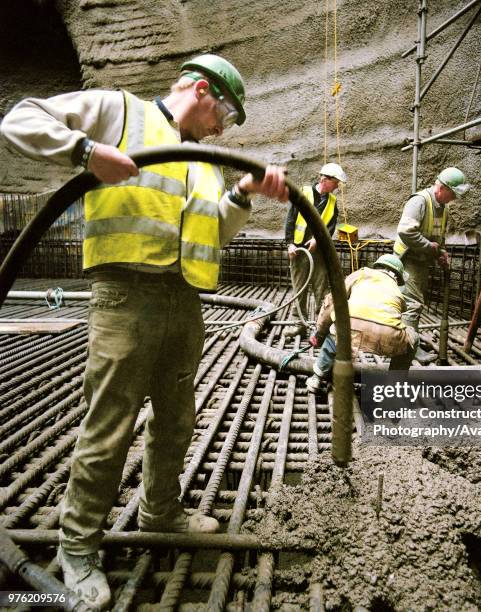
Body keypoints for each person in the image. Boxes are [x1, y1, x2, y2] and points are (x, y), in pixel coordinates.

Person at [1, 53, 288, 609]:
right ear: (202, 89)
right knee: (109, 425)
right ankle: (79, 547)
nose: (223, 128)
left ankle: (161, 510)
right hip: (125, 296)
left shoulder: (203, 162)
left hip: (184, 302)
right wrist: (86, 152)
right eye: (225, 115)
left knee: (179, 417)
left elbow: (215, 237)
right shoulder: (119, 113)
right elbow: (18, 119)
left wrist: (244, 195)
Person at [306, 255, 418, 393]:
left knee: (335, 334)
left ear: (378, 266)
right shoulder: (396, 290)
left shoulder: (362, 273)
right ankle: (394, 386)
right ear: (397, 277)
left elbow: (333, 300)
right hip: (387, 334)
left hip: (350, 326)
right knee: (413, 340)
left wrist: (320, 334)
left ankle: (317, 378)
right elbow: (397, 315)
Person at [393, 167, 470, 323]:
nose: (454, 198)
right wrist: (430, 247)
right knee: (412, 305)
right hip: (406, 261)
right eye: (453, 194)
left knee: (412, 303)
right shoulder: (419, 201)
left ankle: (404, 339)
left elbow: (438, 236)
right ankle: (408, 345)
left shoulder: (443, 208)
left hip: (421, 262)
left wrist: (440, 251)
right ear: (441, 188)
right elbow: (405, 231)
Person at [283, 162, 347, 337]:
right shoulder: (303, 193)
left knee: (320, 288)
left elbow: (330, 227)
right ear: (325, 179)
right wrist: (289, 243)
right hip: (299, 250)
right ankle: (298, 324)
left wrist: (317, 240)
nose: (336, 187)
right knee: (299, 287)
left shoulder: (332, 201)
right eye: (335, 182)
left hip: (319, 252)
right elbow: (290, 220)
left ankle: (320, 326)